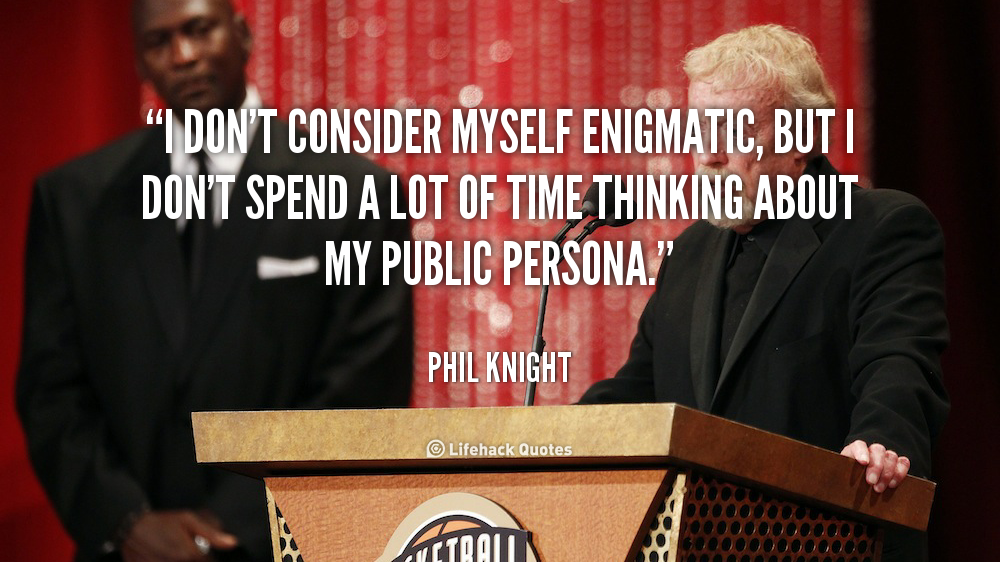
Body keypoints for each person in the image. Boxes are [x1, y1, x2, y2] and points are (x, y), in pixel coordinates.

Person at [16, 0, 413, 561]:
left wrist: (224, 530)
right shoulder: (74, 201)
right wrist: (126, 521)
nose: (183, 56)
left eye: (199, 30)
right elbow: (51, 391)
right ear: (139, 63)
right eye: (159, 42)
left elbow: (364, 387)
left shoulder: (354, 193)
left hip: (284, 545)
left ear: (243, 36)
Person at [577, 25, 948, 562]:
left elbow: (897, 363)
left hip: (831, 540)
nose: (708, 156)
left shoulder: (880, 228)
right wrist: (547, 441)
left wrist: (881, 440)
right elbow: (639, 392)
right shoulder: (690, 252)